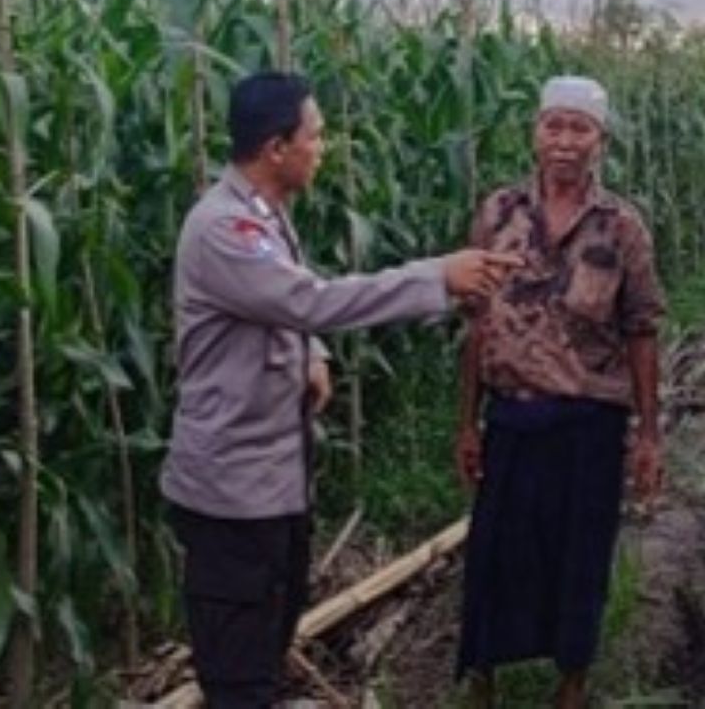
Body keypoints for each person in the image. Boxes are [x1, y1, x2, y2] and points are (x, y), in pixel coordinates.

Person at [160, 71, 520, 708]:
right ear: (277, 148)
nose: (323, 148)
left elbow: (278, 297)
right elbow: (307, 299)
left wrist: (313, 353)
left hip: (272, 486)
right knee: (238, 676)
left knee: (268, 648)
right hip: (231, 497)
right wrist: (439, 276)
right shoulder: (223, 227)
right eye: (315, 135)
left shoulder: (261, 216)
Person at [455, 75, 666, 709]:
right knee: (495, 555)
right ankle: (483, 680)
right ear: (536, 133)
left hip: (588, 425)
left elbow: (642, 330)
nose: (565, 142)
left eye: (580, 129)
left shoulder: (621, 226)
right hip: (512, 418)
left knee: (580, 558)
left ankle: (570, 685)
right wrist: (467, 423)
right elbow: (475, 321)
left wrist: (650, 435)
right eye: (555, 127)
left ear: (599, 140)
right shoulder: (498, 214)